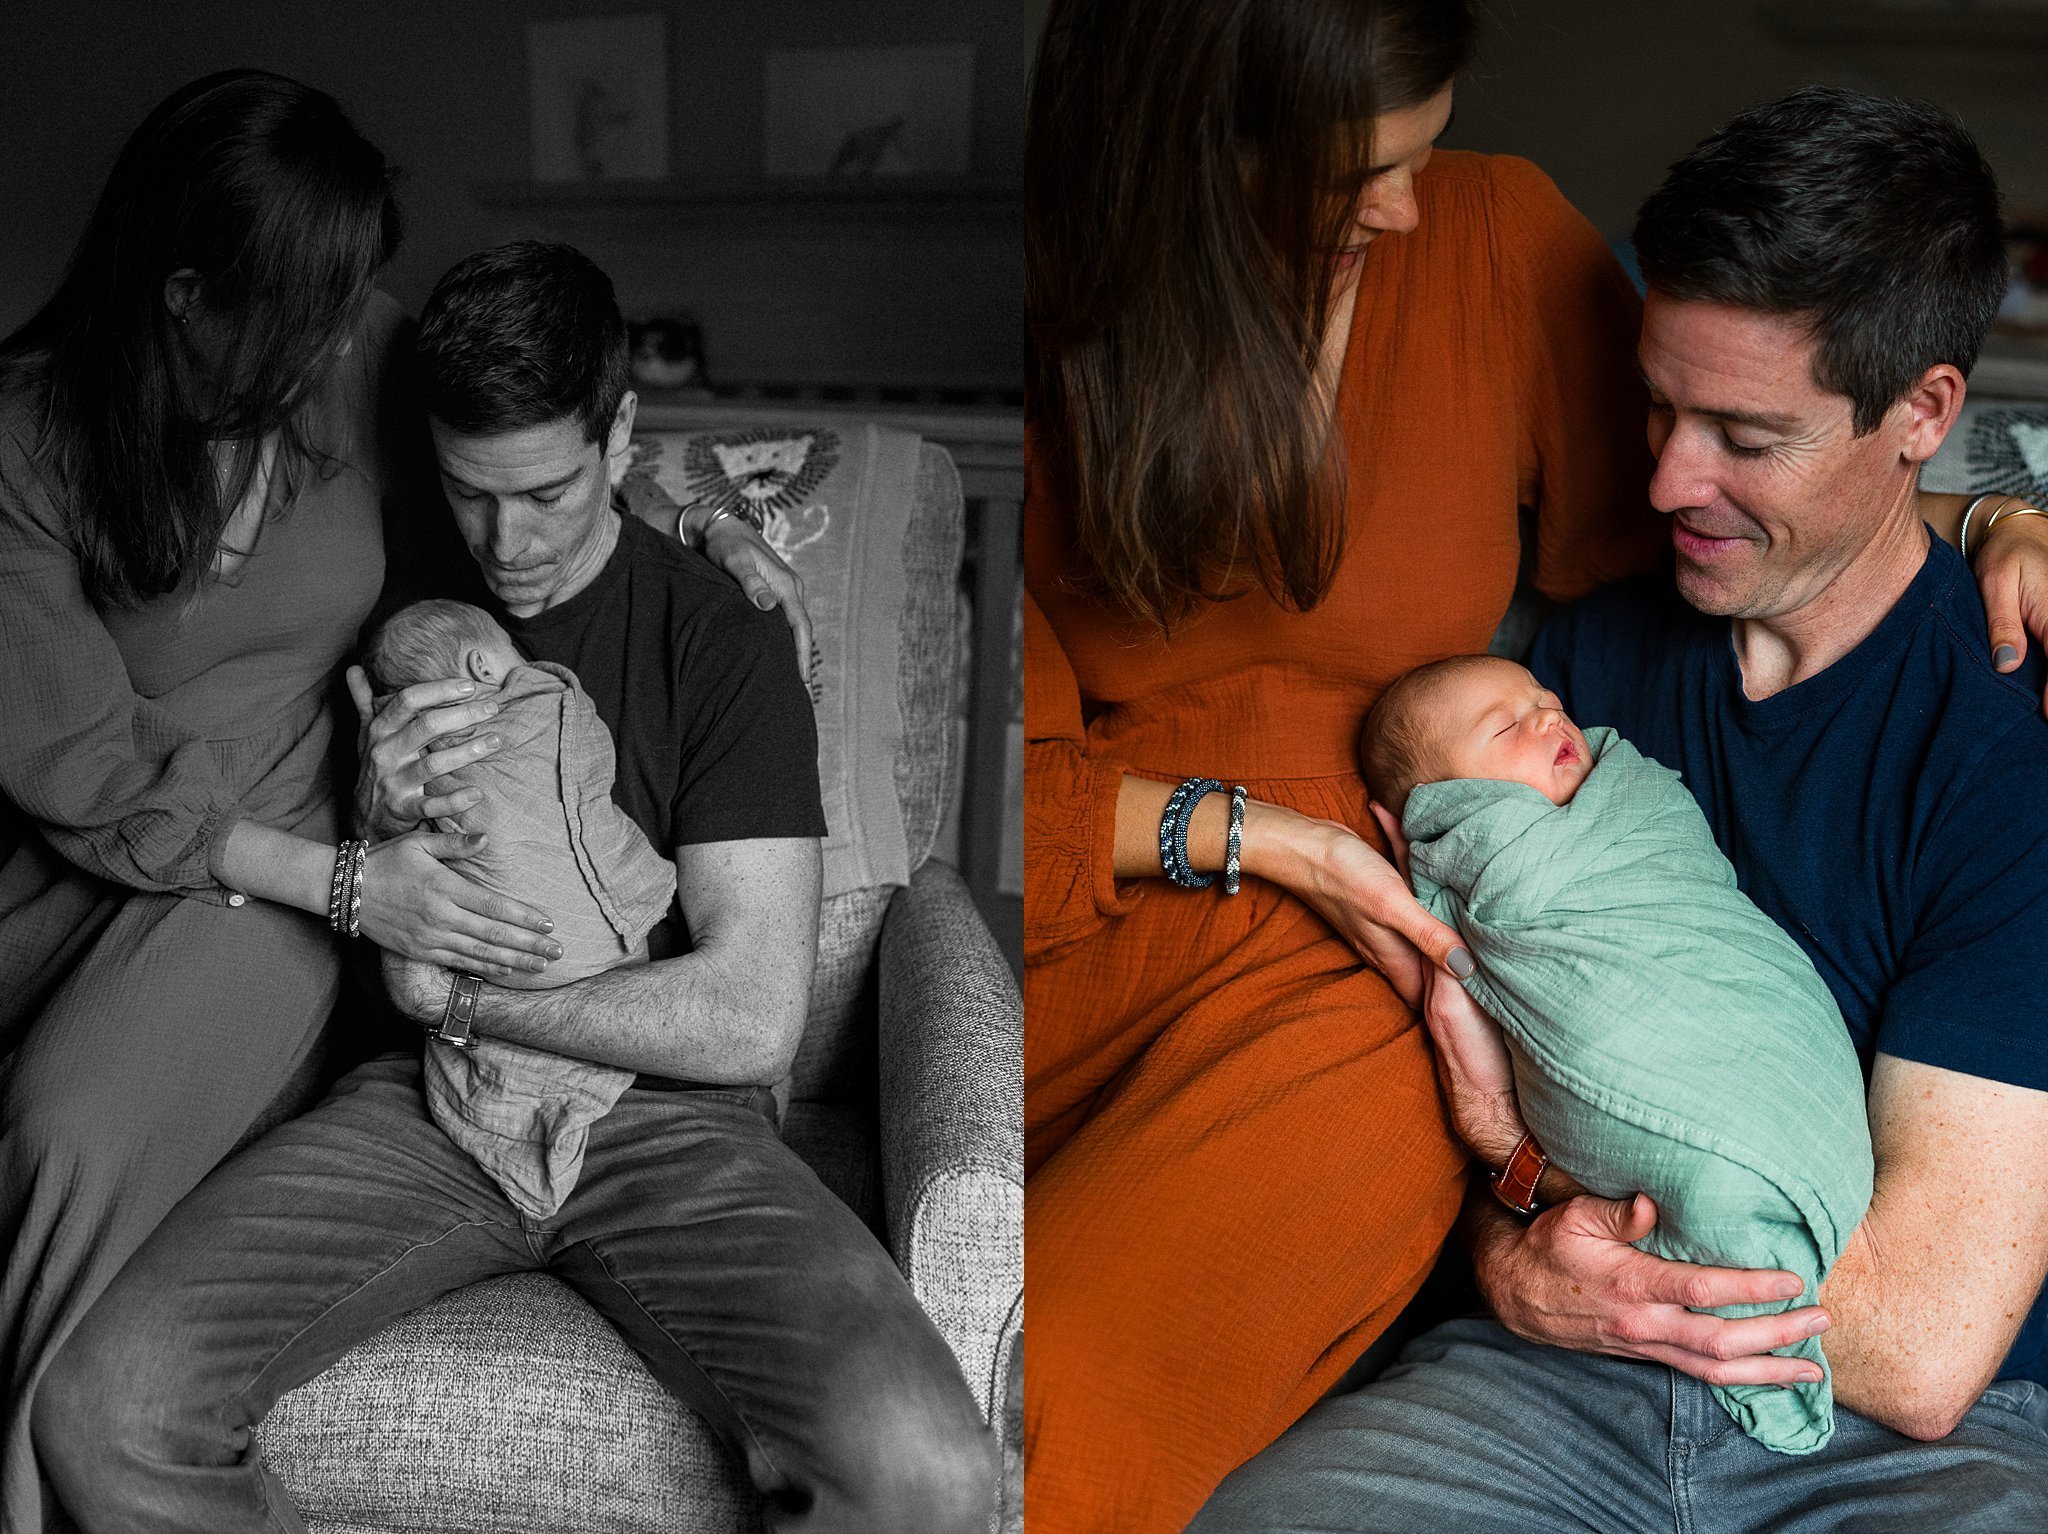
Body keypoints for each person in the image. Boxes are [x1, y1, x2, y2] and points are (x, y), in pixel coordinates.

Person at [1023, 1, 2048, 1527]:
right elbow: (1472, 1116)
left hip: (1900, 1432)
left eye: (1741, 436)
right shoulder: (1550, 684)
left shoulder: (2003, 736)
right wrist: (1511, 1225)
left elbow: (1920, 1340)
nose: (1659, 477)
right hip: (1538, 1382)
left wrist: (1996, 509)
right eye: (1651, 405)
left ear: (1927, 421)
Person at [32, 239, 998, 1533]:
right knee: (106, 1406)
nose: (508, 542)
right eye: (471, 493)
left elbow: (750, 1018)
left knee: (933, 1469)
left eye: (545, 493)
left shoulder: (721, 636)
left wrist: (466, 999)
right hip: (419, 1114)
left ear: (620, 438)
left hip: (666, 1120)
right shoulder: (390, 587)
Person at [0, 71, 566, 1534]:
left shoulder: (354, 348)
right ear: (185, 294)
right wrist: (342, 889)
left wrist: (709, 536)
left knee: (71, 1127)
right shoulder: (26, 433)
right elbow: (74, 752)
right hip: (95, 852)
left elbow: (528, 459)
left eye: (350, 295)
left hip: (301, 837)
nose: (341, 336)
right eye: (309, 307)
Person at [1362, 654, 1872, 1454]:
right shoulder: (1490, 857)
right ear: (1448, 806)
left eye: (1547, 702)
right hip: (1542, 1361)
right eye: (1506, 727)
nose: (1548, 719)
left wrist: (1504, 1142)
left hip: (1754, 1024)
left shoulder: (1633, 797)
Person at [361, 597, 676, 1221]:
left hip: (503, 982)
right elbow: (577, 729)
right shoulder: (546, 698)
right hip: (611, 957)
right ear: (482, 664)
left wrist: (379, 834)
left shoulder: (416, 767)